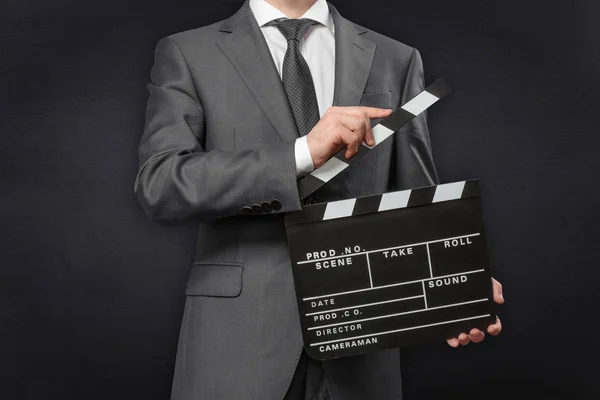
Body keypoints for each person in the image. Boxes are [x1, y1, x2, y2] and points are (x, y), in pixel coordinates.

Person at [133, 0, 504, 399]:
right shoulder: (189, 51)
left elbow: (416, 198)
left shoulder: (396, 57)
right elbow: (161, 185)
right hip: (238, 341)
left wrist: (454, 283)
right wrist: (302, 153)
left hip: (362, 342)